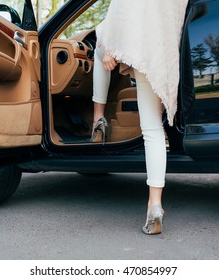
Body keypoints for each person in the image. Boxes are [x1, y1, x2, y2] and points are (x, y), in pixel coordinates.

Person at [90, 0, 189, 235]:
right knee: (153, 130)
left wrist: (108, 46)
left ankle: (98, 119)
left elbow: (122, 12)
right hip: (163, 56)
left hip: (141, 49)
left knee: (99, 48)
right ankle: (154, 204)